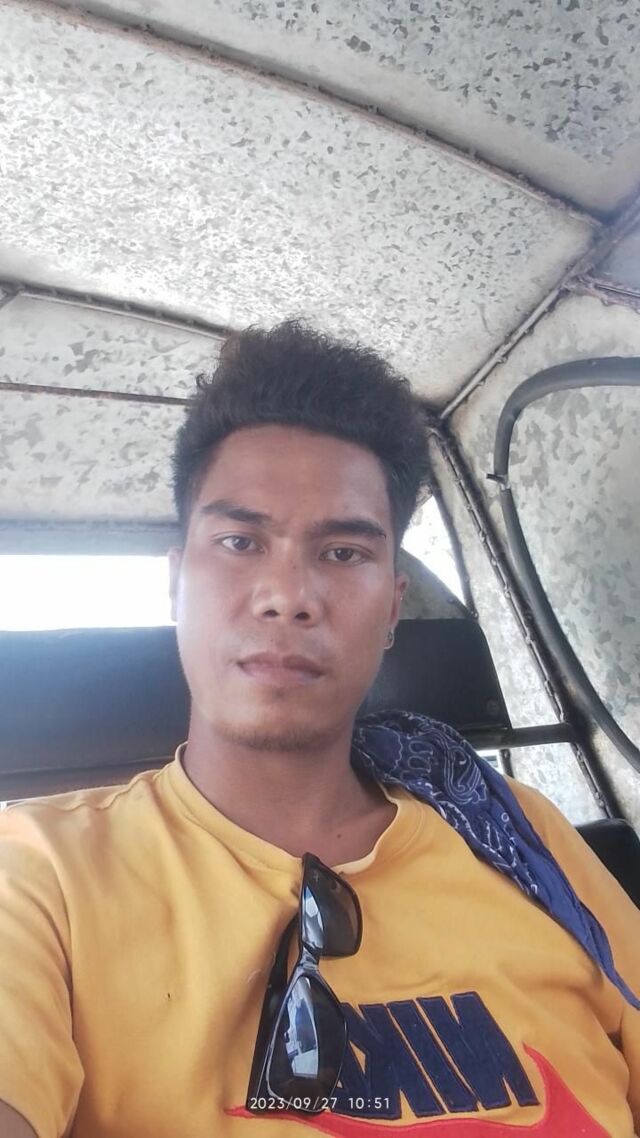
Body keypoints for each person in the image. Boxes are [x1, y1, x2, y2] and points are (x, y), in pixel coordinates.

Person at [0, 320, 639, 1138]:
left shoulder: (517, 834)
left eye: (342, 553)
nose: (288, 596)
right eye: (240, 541)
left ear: (393, 609)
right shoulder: (40, 876)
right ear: (176, 581)